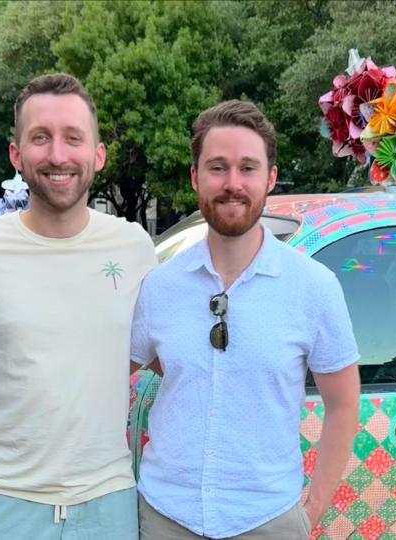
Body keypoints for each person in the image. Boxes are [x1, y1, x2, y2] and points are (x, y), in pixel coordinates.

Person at [129, 100, 361, 539]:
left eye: (248, 168)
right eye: (217, 167)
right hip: (165, 517)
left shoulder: (314, 287)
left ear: (270, 178)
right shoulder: (159, 287)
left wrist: (311, 509)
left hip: (268, 521)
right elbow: (113, 376)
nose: (232, 183)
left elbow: (344, 403)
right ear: (196, 178)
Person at [0, 73, 156, 540]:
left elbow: (151, 349)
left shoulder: (133, 246)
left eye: (73, 138)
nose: (58, 155)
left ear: (98, 155)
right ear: (16, 154)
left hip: (106, 501)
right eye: (40, 138)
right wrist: (9, 415)